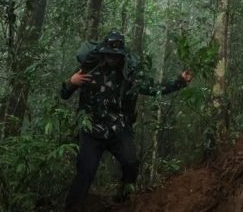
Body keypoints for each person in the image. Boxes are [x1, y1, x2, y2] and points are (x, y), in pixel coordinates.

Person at [61, 30, 193, 211]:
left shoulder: (129, 74)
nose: (112, 59)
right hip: (92, 131)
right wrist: (72, 82)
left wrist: (180, 81)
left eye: (116, 56)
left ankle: (123, 201)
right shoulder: (89, 68)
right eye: (109, 55)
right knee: (85, 173)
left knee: (131, 164)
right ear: (103, 53)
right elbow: (64, 94)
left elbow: (153, 88)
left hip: (118, 129)